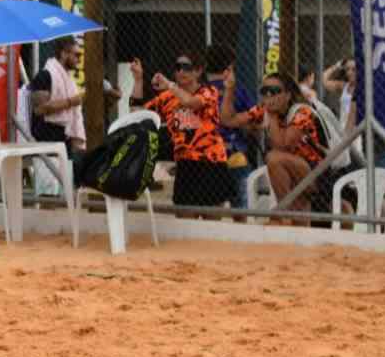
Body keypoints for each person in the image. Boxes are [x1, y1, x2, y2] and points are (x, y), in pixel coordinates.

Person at [221, 70, 347, 226]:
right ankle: (291, 219)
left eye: (274, 91)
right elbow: (228, 120)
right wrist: (229, 90)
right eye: (264, 91)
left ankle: (281, 214)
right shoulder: (266, 109)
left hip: (321, 173)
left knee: (274, 157)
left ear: (288, 95)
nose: (269, 96)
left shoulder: (302, 112)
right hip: (295, 171)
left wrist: (272, 116)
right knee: (300, 221)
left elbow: (283, 145)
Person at [130, 50, 233, 214]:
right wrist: (138, 80)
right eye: (177, 67)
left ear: (198, 71)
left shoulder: (208, 92)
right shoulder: (167, 97)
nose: (180, 72)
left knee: (212, 217)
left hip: (210, 161)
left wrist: (170, 85)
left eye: (186, 67)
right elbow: (136, 113)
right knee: (184, 214)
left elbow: (190, 102)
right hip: (185, 163)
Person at [29, 37, 118, 157]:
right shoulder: (46, 75)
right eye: (76, 55)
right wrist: (72, 101)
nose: (79, 59)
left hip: (64, 138)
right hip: (46, 138)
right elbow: (39, 109)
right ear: (63, 53)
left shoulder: (69, 80)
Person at [204, 44, 254, 217]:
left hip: (208, 157)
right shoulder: (238, 91)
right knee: (240, 208)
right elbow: (253, 122)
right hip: (235, 154)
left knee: (213, 207)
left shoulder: (199, 92)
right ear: (229, 67)